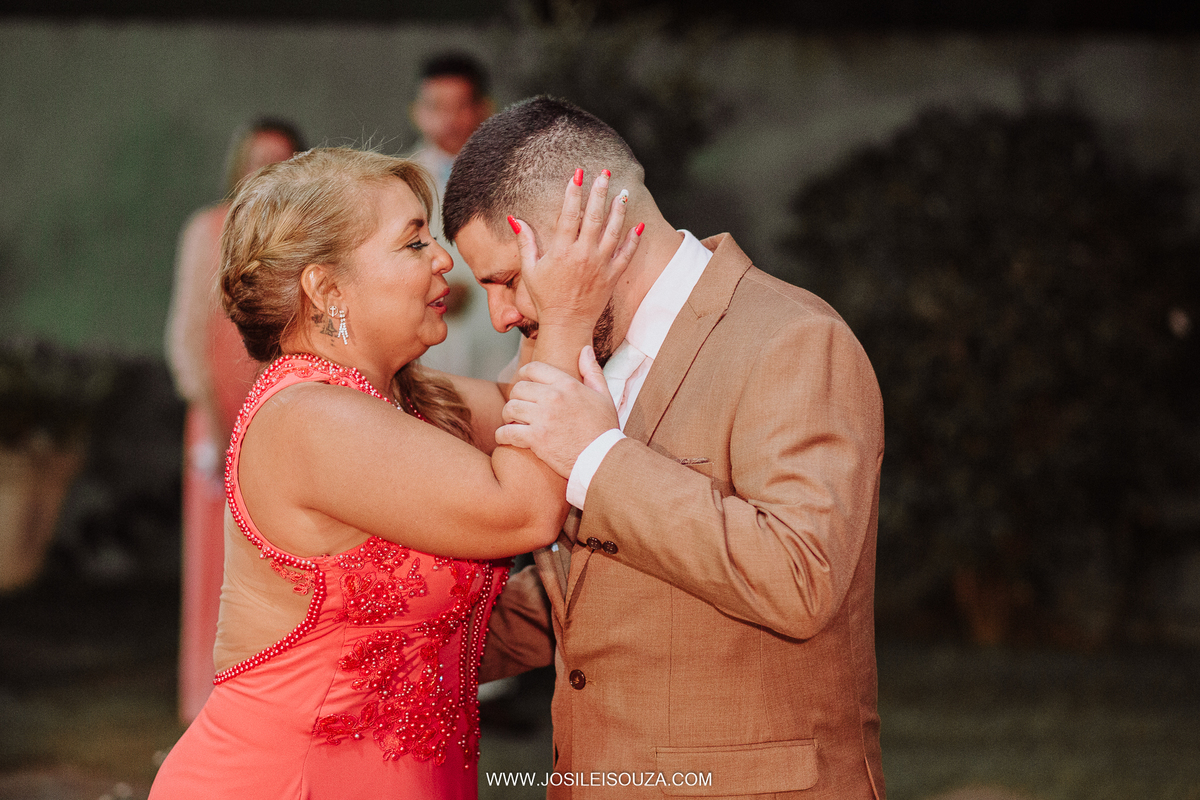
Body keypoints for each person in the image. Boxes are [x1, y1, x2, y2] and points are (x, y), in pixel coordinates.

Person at [148, 147, 641, 799]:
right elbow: (522, 507)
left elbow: (560, 416)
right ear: (326, 288)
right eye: (414, 244)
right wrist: (569, 311)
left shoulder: (404, 401)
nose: (445, 261)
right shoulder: (309, 418)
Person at [443, 96, 887, 798]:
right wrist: (410, 649)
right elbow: (592, 592)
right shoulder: (557, 364)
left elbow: (802, 579)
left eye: (504, 279)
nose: (500, 315)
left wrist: (596, 459)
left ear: (589, 222)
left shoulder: (794, 339)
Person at [164, 118, 305, 723]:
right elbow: (189, 327)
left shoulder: (300, 235)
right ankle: (208, 698)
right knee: (214, 567)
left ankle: (269, 698)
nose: (263, 172)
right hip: (216, 417)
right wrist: (207, 414)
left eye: (279, 160)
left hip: (281, 416)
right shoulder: (207, 229)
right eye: (256, 158)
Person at [407, 52, 518, 381]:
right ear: (416, 112)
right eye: (436, 107)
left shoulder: (515, 174)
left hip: (494, 335)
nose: (448, 120)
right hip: (426, 346)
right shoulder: (396, 180)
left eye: (460, 107)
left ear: (485, 108)